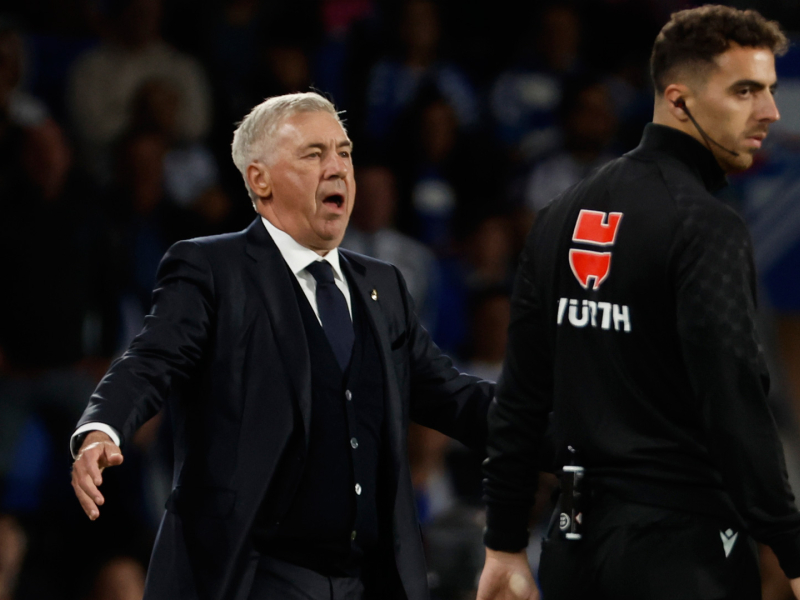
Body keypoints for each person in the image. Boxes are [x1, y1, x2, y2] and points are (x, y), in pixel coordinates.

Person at [69, 91, 493, 600]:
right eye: (314, 154)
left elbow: (455, 396)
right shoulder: (214, 270)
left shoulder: (384, 287)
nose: (337, 168)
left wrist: (567, 428)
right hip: (256, 576)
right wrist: (103, 426)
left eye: (344, 152)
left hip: (368, 582)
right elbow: (151, 358)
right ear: (259, 179)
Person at [477, 6, 800, 599]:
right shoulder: (708, 226)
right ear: (679, 101)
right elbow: (733, 397)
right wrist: (790, 543)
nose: (770, 113)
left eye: (771, 91)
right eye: (745, 91)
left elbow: (518, 399)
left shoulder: (559, 214)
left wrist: (502, 543)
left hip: (570, 545)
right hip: (681, 551)